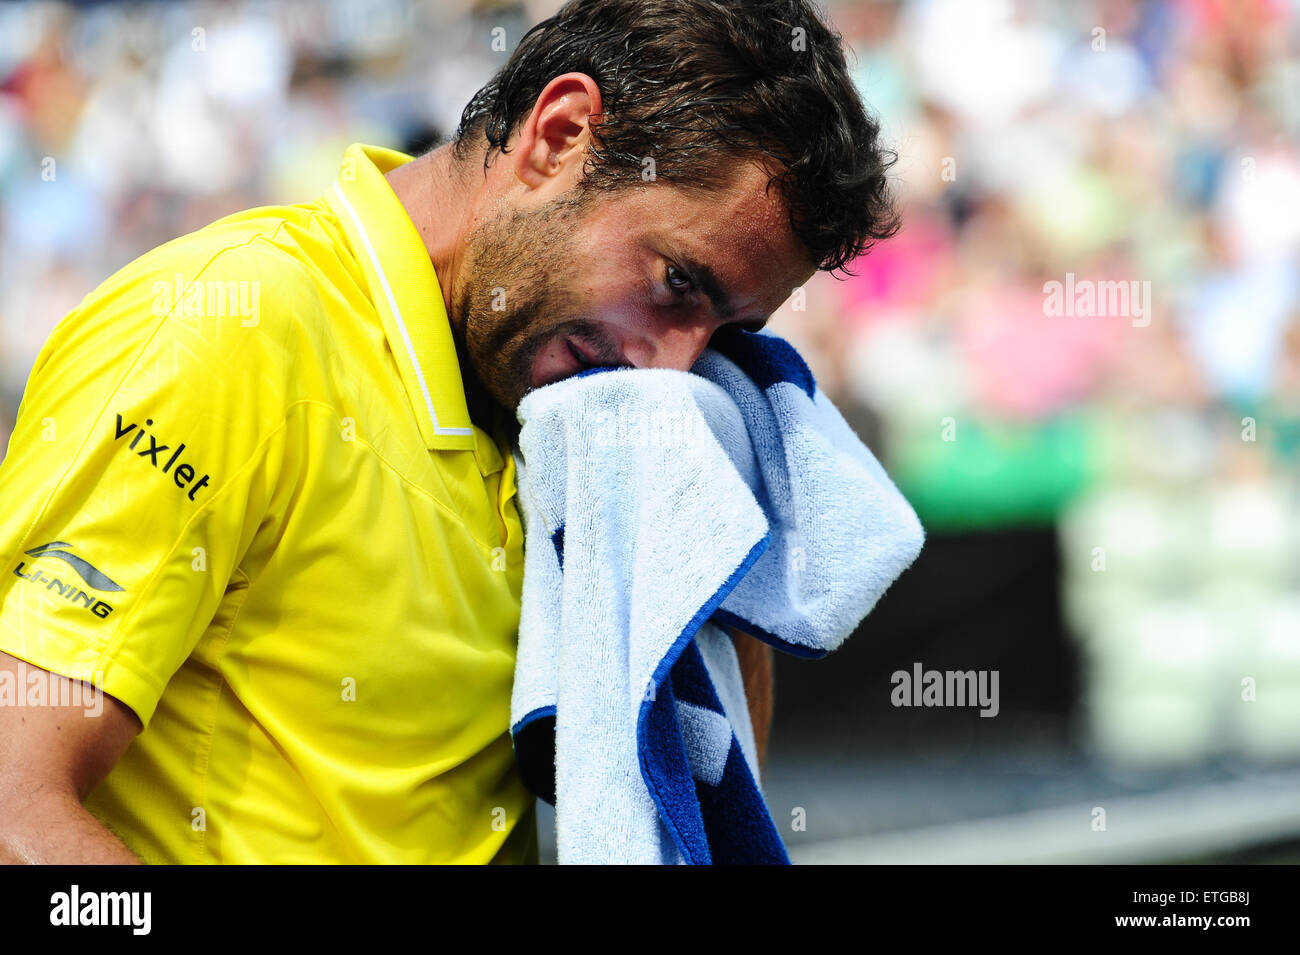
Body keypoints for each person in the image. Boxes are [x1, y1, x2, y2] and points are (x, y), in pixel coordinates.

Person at [0, 0, 897, 864]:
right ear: (558, 136)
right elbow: (11, 806)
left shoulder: (585, 414)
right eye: (675, 282)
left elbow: (704, 792)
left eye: (725, 332)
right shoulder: (223, 331)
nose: (672, 370)